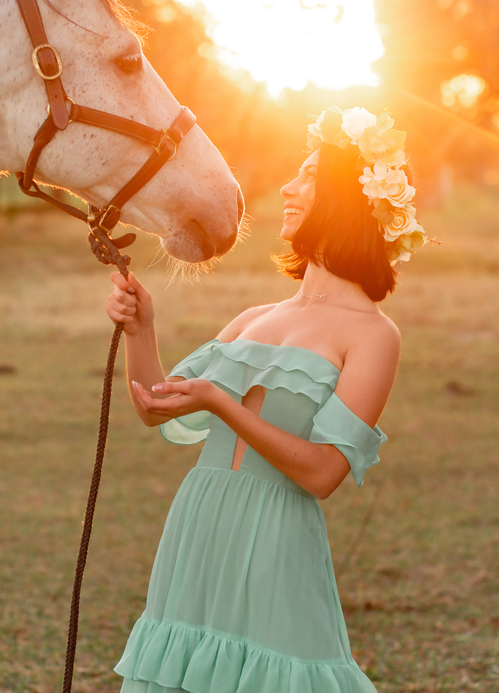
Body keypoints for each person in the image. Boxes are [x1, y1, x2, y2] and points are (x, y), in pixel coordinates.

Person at [107, 107, 427, 693]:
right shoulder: (257, 316)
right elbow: (154, 404)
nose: (287, 187)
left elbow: (324, 472)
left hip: (276, 535)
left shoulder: (372, 335)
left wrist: (220, 402)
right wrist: (141, 330)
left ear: (343, 201)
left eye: (306, 176)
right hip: (200, 523)